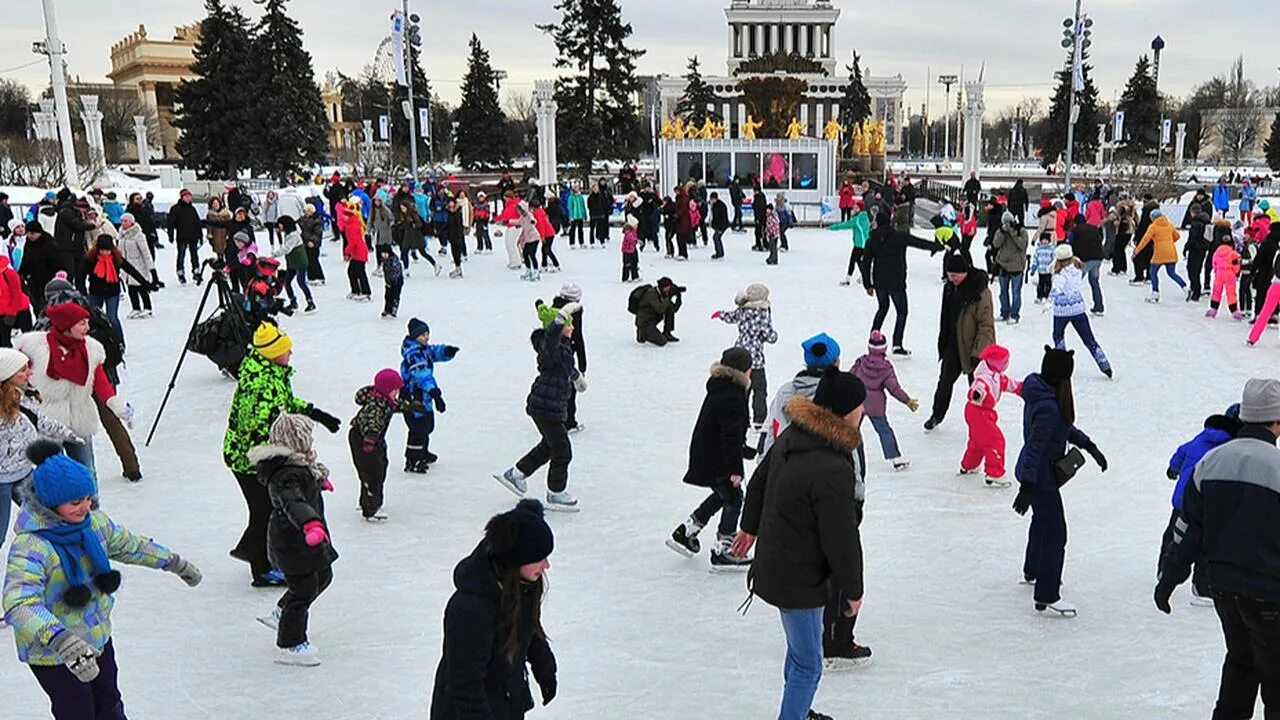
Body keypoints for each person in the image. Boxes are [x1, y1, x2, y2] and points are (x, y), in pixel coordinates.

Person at [2, 441, 202, 717]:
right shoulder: (32, 545)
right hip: (52, 652)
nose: (85, 506)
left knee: (109, 703)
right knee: (78, 711)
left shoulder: (94, 524)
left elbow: (131, 545)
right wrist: (61, 639)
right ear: (50, 502)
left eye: (87, 497)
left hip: (96, 636)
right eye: (75, 502)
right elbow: (19, 603)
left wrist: (172, 561)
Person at [734, 367, 868, 720]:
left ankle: (797, 710)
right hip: (800, 579)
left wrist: (749, 528)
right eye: (860, 406)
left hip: (780, 565)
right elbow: (841, 537)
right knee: (809, 664)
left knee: (799, 653)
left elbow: (759, 480)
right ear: (844, 412)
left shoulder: (796, 434)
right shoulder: (831, 465)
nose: (864, 412)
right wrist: (853, 590)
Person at [1154, 378, 1280, 717]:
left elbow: (1187, 527)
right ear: (1276, 421)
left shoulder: (1211, 462)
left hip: (1224, 590)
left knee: (1240, 664)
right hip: (1269, 595)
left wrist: (1169, 578)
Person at [223, 322, 340, 587]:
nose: (291, 354)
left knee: (268, 507)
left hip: (260, 454)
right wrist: (280, 455)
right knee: (264, 509)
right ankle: (261, 569)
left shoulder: (274, 372)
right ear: (273, 352)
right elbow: (252, 428)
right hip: (247, 459)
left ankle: (251, 548)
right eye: (286, 350)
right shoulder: (258, 385)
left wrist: (313, 412)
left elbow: (285, 403)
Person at [429, 499, 558, 720]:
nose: (546, 565)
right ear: (517, 559)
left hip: (505, 702)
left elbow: (526, 627)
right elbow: (465, 685)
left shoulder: (521, 584)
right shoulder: (471, 610)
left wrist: (544, 665)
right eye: (539, 558)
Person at [1011, 347, 1107, 617]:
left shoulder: (1041, 393)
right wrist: (1027, 486)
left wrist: (1090, 446)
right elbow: (1036, 447)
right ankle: (1047, 594)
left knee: (1041, 524)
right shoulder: (1050, 407)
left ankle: (1032, 571)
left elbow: (1063, 430)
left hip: (1037, 475)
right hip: (1040, 478)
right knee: (1055, 533)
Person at [248, 412, 337, 666]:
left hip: (307, 537)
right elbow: (293, 501)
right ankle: (290, 643)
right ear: (295, 442)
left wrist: (318, 484)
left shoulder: (299, 465)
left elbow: (305, 484)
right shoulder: (285, 475)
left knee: (324, 576)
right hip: (293, 540)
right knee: (303, 589)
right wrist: (309, 523)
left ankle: (281, 612)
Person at [13, 303, 130, 478]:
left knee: (86, 470)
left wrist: (118, 406)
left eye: (87, 322)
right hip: (48, 421)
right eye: (82, 323)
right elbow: (20, 376)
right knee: (55, 474)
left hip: (80, 419)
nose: (88, 328)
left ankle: (92, 505)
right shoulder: (36, 348)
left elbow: (101, 384)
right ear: (67, 325)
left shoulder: (91, 349)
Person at [666, 347, 755, 570]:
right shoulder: (734, 395)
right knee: (734, 497)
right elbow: (729, 435)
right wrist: (736, 468)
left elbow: (723, 429)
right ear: (746, 371)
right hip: (718, 458)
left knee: (722, 493)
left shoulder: (720, 388)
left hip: (707, 453)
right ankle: (724, 549)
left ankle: (686, 531)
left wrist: (745, 451)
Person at [494, 301, 585, 512]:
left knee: (549, 446)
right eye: (568, 325)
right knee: (562, 451)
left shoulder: (561, 349)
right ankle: (556, 493)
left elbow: (564, 367)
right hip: (545, 407)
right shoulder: (550, 346)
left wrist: (576, 377)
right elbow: (552, 338)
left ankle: (516, 474)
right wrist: (561, 316)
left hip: (550, 405)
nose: (572, 328)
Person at [1159, 403, 1240, 608]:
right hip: (1203, 500)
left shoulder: (1202, 437)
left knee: (1173, 534)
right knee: (1205, 542)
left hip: (1181, 498)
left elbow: (1181, 451)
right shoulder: (1230, 446)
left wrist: (1173, 468)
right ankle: (1201, 587)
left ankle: (1163, 570)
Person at [0, 349, 78, 547]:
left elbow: (42, 421)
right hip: (1, 481)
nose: (29, 373)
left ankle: (62, 557)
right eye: (23, 370)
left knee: (49, 517)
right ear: (7, 375)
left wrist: (68, 434)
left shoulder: (22, 397)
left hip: (24, 473)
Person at [925, 256, 996, 431]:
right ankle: (937, 415)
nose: (952, 278)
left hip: (975, 347)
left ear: (965, 272)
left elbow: (986, 326)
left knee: (977, 387)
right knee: (945, 381)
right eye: (950, 275)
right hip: (953, 344)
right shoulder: (949, 288)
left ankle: (981, 421)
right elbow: (946, 316)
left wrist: (978, 353)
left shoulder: (980, 292)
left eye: (956, 275)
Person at [860, 211, 937, 356]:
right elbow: (919, 243)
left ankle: (873, 338)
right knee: (902, 312)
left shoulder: (872, 239)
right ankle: (897, 344)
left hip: (879, 281)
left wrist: (867, 284)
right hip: (896, 280)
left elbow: (866, 263)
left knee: (882, 308)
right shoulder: (900, 236)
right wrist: (937, 246)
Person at [713, 283, 778, 427]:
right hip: (755, 358)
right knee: (759, 389)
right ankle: (759, 419)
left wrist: (721, 314)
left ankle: (742, 417)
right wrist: (774, 336)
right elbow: (768, 334)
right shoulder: (762, 313)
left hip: (740, 355)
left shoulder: (742, 310)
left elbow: (731, 317)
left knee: (743, 388)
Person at [853, 330, 917, 471]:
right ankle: (895, 458)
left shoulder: (861, 362)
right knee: (884, 430)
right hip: (876, 406)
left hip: (858, 401)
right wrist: (907, 401)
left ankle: (849, 455)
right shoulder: (886, 368)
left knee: (852, 429)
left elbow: (850, 378)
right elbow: (894, 389)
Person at [399, 318, 458, 473]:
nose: (426, 337)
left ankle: (422, 452)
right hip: (414, 398)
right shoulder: (414, 354)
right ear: (414, 336)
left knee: (427, 425)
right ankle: (413, 460)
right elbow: (422, 375)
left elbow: (434, 351)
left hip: (423, 397)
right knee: (418, 429)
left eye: (427, 334)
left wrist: (446, 351)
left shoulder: (423, 349)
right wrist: (435, 393)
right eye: (422, 335)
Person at [959, 344, 1021, 487]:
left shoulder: (996, 376)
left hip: (979, 412)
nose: (1007, 364)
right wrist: (976, 394)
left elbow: (1011, 384)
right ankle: (994, 473)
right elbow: (978, 388)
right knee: (995, 441)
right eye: (1006, 362)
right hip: (978, 412)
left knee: (977, 441)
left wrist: (1024, 388)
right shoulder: (984, 378)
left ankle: (969, 465)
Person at [1050, 245, 1113, 378]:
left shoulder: (1060, 274)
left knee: (1058, 336)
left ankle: (1062, 364)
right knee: (1089, 339)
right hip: (1078, 309)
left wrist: (1049, 301)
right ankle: (1104, 364)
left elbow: (1057, 289)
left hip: (1062, 311)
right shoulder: (1077, 268)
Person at [550, 285, 587, 433]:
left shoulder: (553, 309)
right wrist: (583, 365)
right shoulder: (574, 313)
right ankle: (568, 421)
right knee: (569, 389)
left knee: (554, 385)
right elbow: (578, 338)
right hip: (566, 354)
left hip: (550, 354)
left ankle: (554, 417)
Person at [1133, 208, 1187, 303]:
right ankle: (1185, 288)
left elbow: (1145, 240)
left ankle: (1155, 293)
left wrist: (1136, 251)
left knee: (1153, 272)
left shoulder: (1153, 226)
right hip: (1171, 252)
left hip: (1159, 253)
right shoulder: (1169, 224)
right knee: (1171, 273)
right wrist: (1169, 242)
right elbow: (1177, 236)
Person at [991, 211, 1028, 323]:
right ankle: (1004, 312)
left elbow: (1022, 245)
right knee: (1003, 292)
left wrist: (1013, 233)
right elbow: (996, 244)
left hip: (1017, 266)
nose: (1007, 225)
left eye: (1009, 223)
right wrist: (1002, 232)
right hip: (1003, 265)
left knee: (1016, 292)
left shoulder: (1021, 230)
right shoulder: (1000, 231)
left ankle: (1014, 314)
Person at [273, 216, 314, 313]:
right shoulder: (288, 234)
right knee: (287, 282)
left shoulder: (294, 236)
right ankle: (293, 301)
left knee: (301, 282)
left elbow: (287, 249)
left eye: (280, 224)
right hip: (292, 262)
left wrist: (274, 255)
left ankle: (310, 301)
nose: (279, 226)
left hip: (299, 262)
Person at [117, 214, 154, 320]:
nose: (123, 223)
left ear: (131, 222)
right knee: (131, 289)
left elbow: (145, 252)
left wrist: (151, 269)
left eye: (126, 221)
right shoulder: (121, 235)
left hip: (138, 265)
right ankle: (135, 307)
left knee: (141, 288)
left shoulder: (138, 235)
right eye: (122, 221)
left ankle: (147, 307)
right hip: (127, 266)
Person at [631, 277, 683, 346]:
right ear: (663, 287)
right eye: (668, 287)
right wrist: (668, 297)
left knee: (668, 308)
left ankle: (667, 333)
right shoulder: (651, 294)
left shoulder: (661, 293)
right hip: (645, 321)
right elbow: (660, 309)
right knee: (662, 341)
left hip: (652, 318)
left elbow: (673, 309)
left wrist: (678, 298)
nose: (669, 289)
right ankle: (642, 333)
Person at [831, 201, 871, 287]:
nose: (854, 209)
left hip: (859, 244)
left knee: (853, 261)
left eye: (856, 208)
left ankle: (848, 280)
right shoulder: (866, 217)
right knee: (859, 261)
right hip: (865, 243)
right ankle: (864, 276)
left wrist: (833, 227)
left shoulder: (857, 219)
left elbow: (846, 224)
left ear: (860, 209)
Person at [169, 189, 203, 285]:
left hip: (193, 236)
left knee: (194, 255)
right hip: (182, 236)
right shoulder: (175, 209)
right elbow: (171, 223)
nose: (188, 198)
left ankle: (196, 271)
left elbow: (197, 223)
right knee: (181, 255)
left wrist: (200, 235)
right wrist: (170, 235)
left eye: (189, 196)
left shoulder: (192, 209)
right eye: (186, 196)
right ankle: (180, 272)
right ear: (182, 197)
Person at [339, 199, 371, 302]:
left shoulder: (352, 227)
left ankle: (365, 292)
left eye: (345, 215)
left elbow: (353, 242)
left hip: (359, 252)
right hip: (357, 252)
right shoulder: (350, 225)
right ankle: (355, 290)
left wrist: (346, 252)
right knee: (352, 271)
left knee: (359, 272)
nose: (343, 217)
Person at [1206, 233, 1243, 320]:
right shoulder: (1233, 253)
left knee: (1216, 291)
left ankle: (1213, 309)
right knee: (1231, 292)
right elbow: (1236, 264)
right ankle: (1234, 311)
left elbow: (1214, 263)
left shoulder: (1216, 253)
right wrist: (1236, 272)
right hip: (1229, 273)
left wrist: (1216, 270)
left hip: (1219, 273)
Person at [1183, 203, 1211, 302]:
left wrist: (1186, 247)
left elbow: (1192, 238)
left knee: (1192, 270)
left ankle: (1196, 290)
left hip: (1195, 249)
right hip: (1203, 249)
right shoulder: (1206, 221)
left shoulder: (1195, 223)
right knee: (1197, 269)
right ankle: (1196, 288)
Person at [298, 205, 326, 286]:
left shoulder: (317, 220)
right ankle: (311, 277)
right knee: (308, 260)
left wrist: (313, 241)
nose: (305, 212)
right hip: (305, 242)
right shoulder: (302, 219)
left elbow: (318, 233)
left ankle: (319, 277)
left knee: (314, 260)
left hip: (313, 243)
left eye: (307, 210)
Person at [709, 191, 729, 259]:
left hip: (722, 225)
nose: (711, 201)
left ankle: (720, 253)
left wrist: (720, 228)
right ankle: (719, 252)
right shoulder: (714, 205)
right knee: (716, 238)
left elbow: (722, 218)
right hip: (718, 225)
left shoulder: (720, 206)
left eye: (712, 199)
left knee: (716, 237)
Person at [620, 215, 640, 282]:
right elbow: (630, 238)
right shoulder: (628, 231)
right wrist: (636, 240)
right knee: (627, 264)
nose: (637, 226)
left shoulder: (633, 231)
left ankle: (635, 276)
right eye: (636, 225)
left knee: (634, 263)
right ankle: (625, 277)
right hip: (627, 250)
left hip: (632, 249)